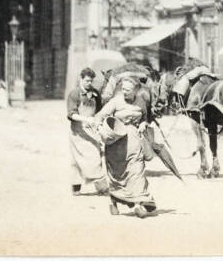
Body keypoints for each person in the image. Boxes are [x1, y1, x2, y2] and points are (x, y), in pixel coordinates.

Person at [85, 78, 156, 217]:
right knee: (118, 174)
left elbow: (145, 118)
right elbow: (99, 115)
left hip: (135, 140)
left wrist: (143, 123)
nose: (124, 92)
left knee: (137, 170)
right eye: (123, 88)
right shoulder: (116, 101)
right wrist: (100, 128)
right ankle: (113, 202)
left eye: (128, 90)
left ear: (136, 90)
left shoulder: (141, 101)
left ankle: (137, 204)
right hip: (116, 142)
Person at [66, 68, 107, 198]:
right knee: (78, 160)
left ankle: (101, 187)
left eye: (91, 81)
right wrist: (87, 119)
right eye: (87, 80)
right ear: (81, 79)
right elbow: (72, 115)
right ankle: (76, 187)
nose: (89, 83)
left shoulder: (95, 93)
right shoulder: (74, 94)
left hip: (92, 130)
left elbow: (100, 111)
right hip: (78, 131)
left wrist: (99, 122)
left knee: (95, 155)